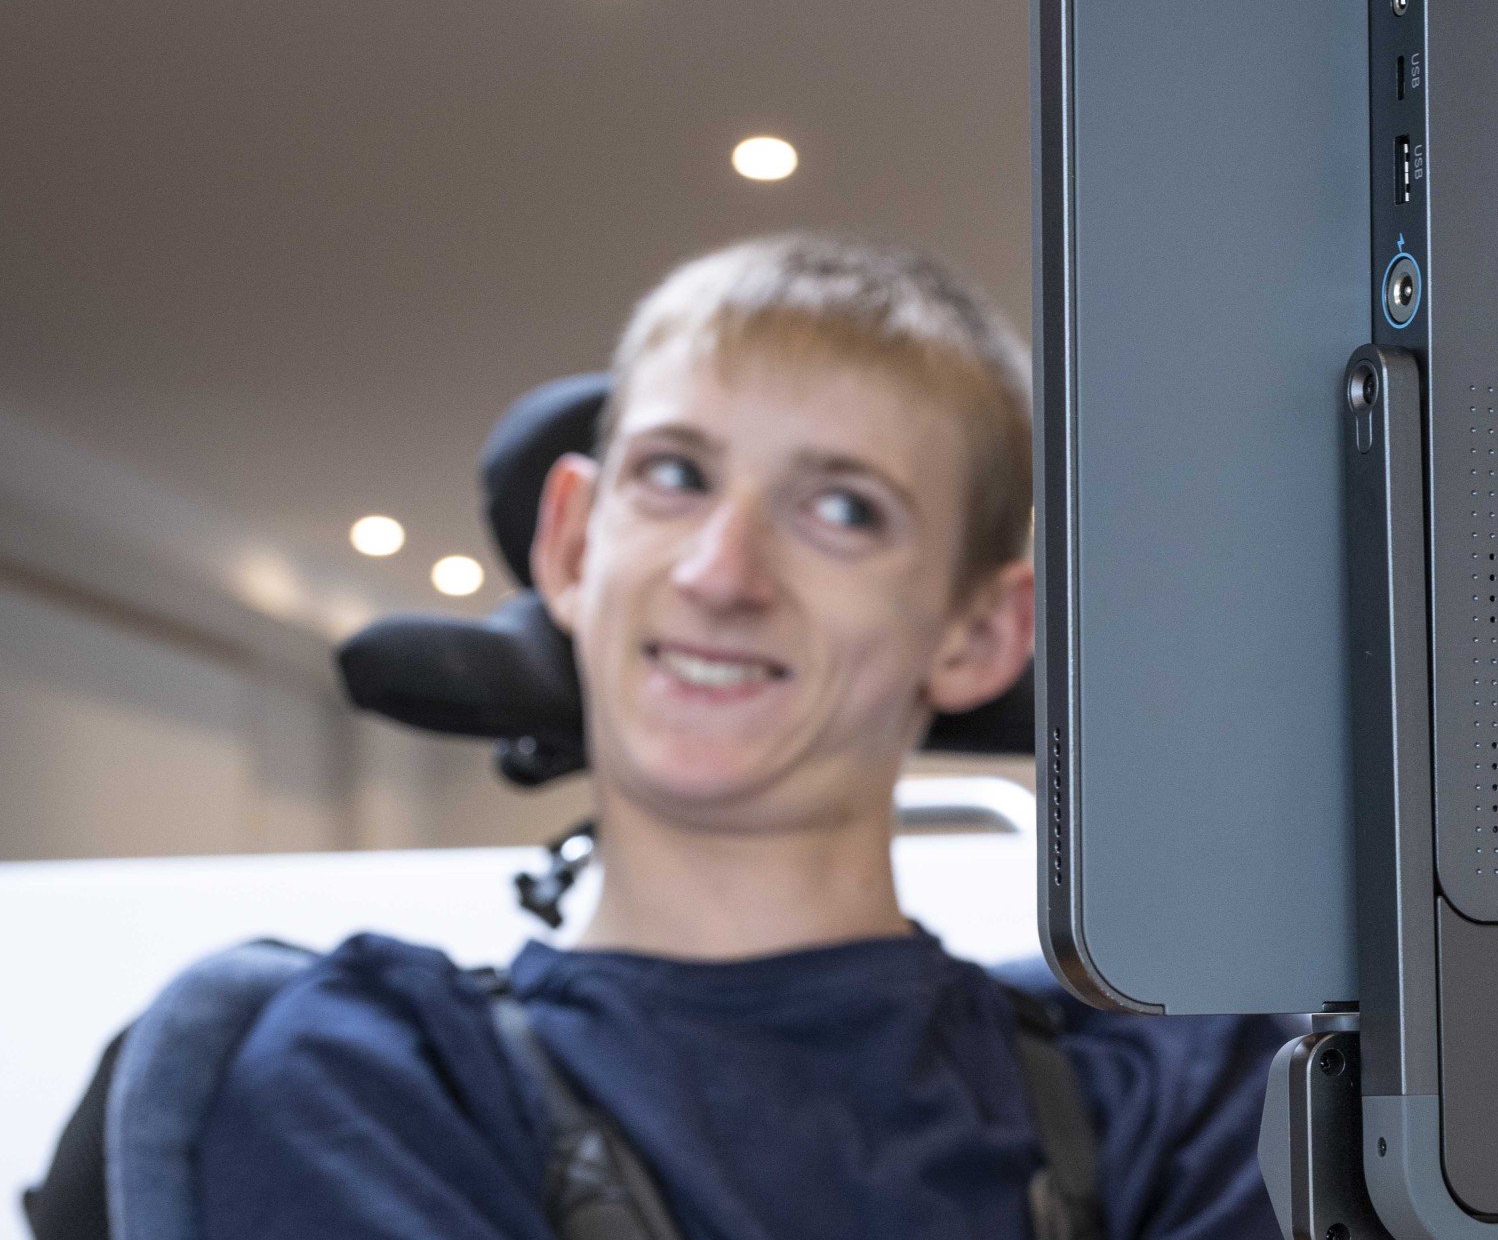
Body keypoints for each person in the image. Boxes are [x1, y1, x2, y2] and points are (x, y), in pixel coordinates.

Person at [197, 235, 1286, 1239]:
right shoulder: (376, 1080)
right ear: (572, 543)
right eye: (674, 475)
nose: (720, 574)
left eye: (844, 510)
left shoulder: (1177, 1092)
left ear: (980, 630)